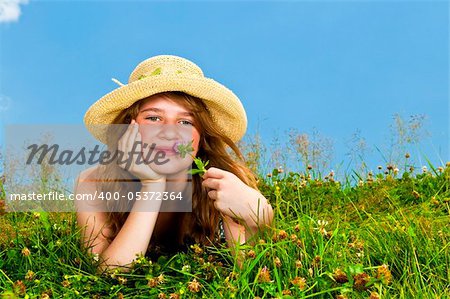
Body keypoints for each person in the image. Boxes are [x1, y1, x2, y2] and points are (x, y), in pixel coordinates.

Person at [74, 55, 274, 272]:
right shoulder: (94, 182)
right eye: (153, 118)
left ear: (202, 137)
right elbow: (108, 272)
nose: (169, 133)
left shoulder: (223, 182)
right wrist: (152, 185)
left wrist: (259, 219)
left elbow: (250, 274)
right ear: (127, 128)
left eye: (185, 122)